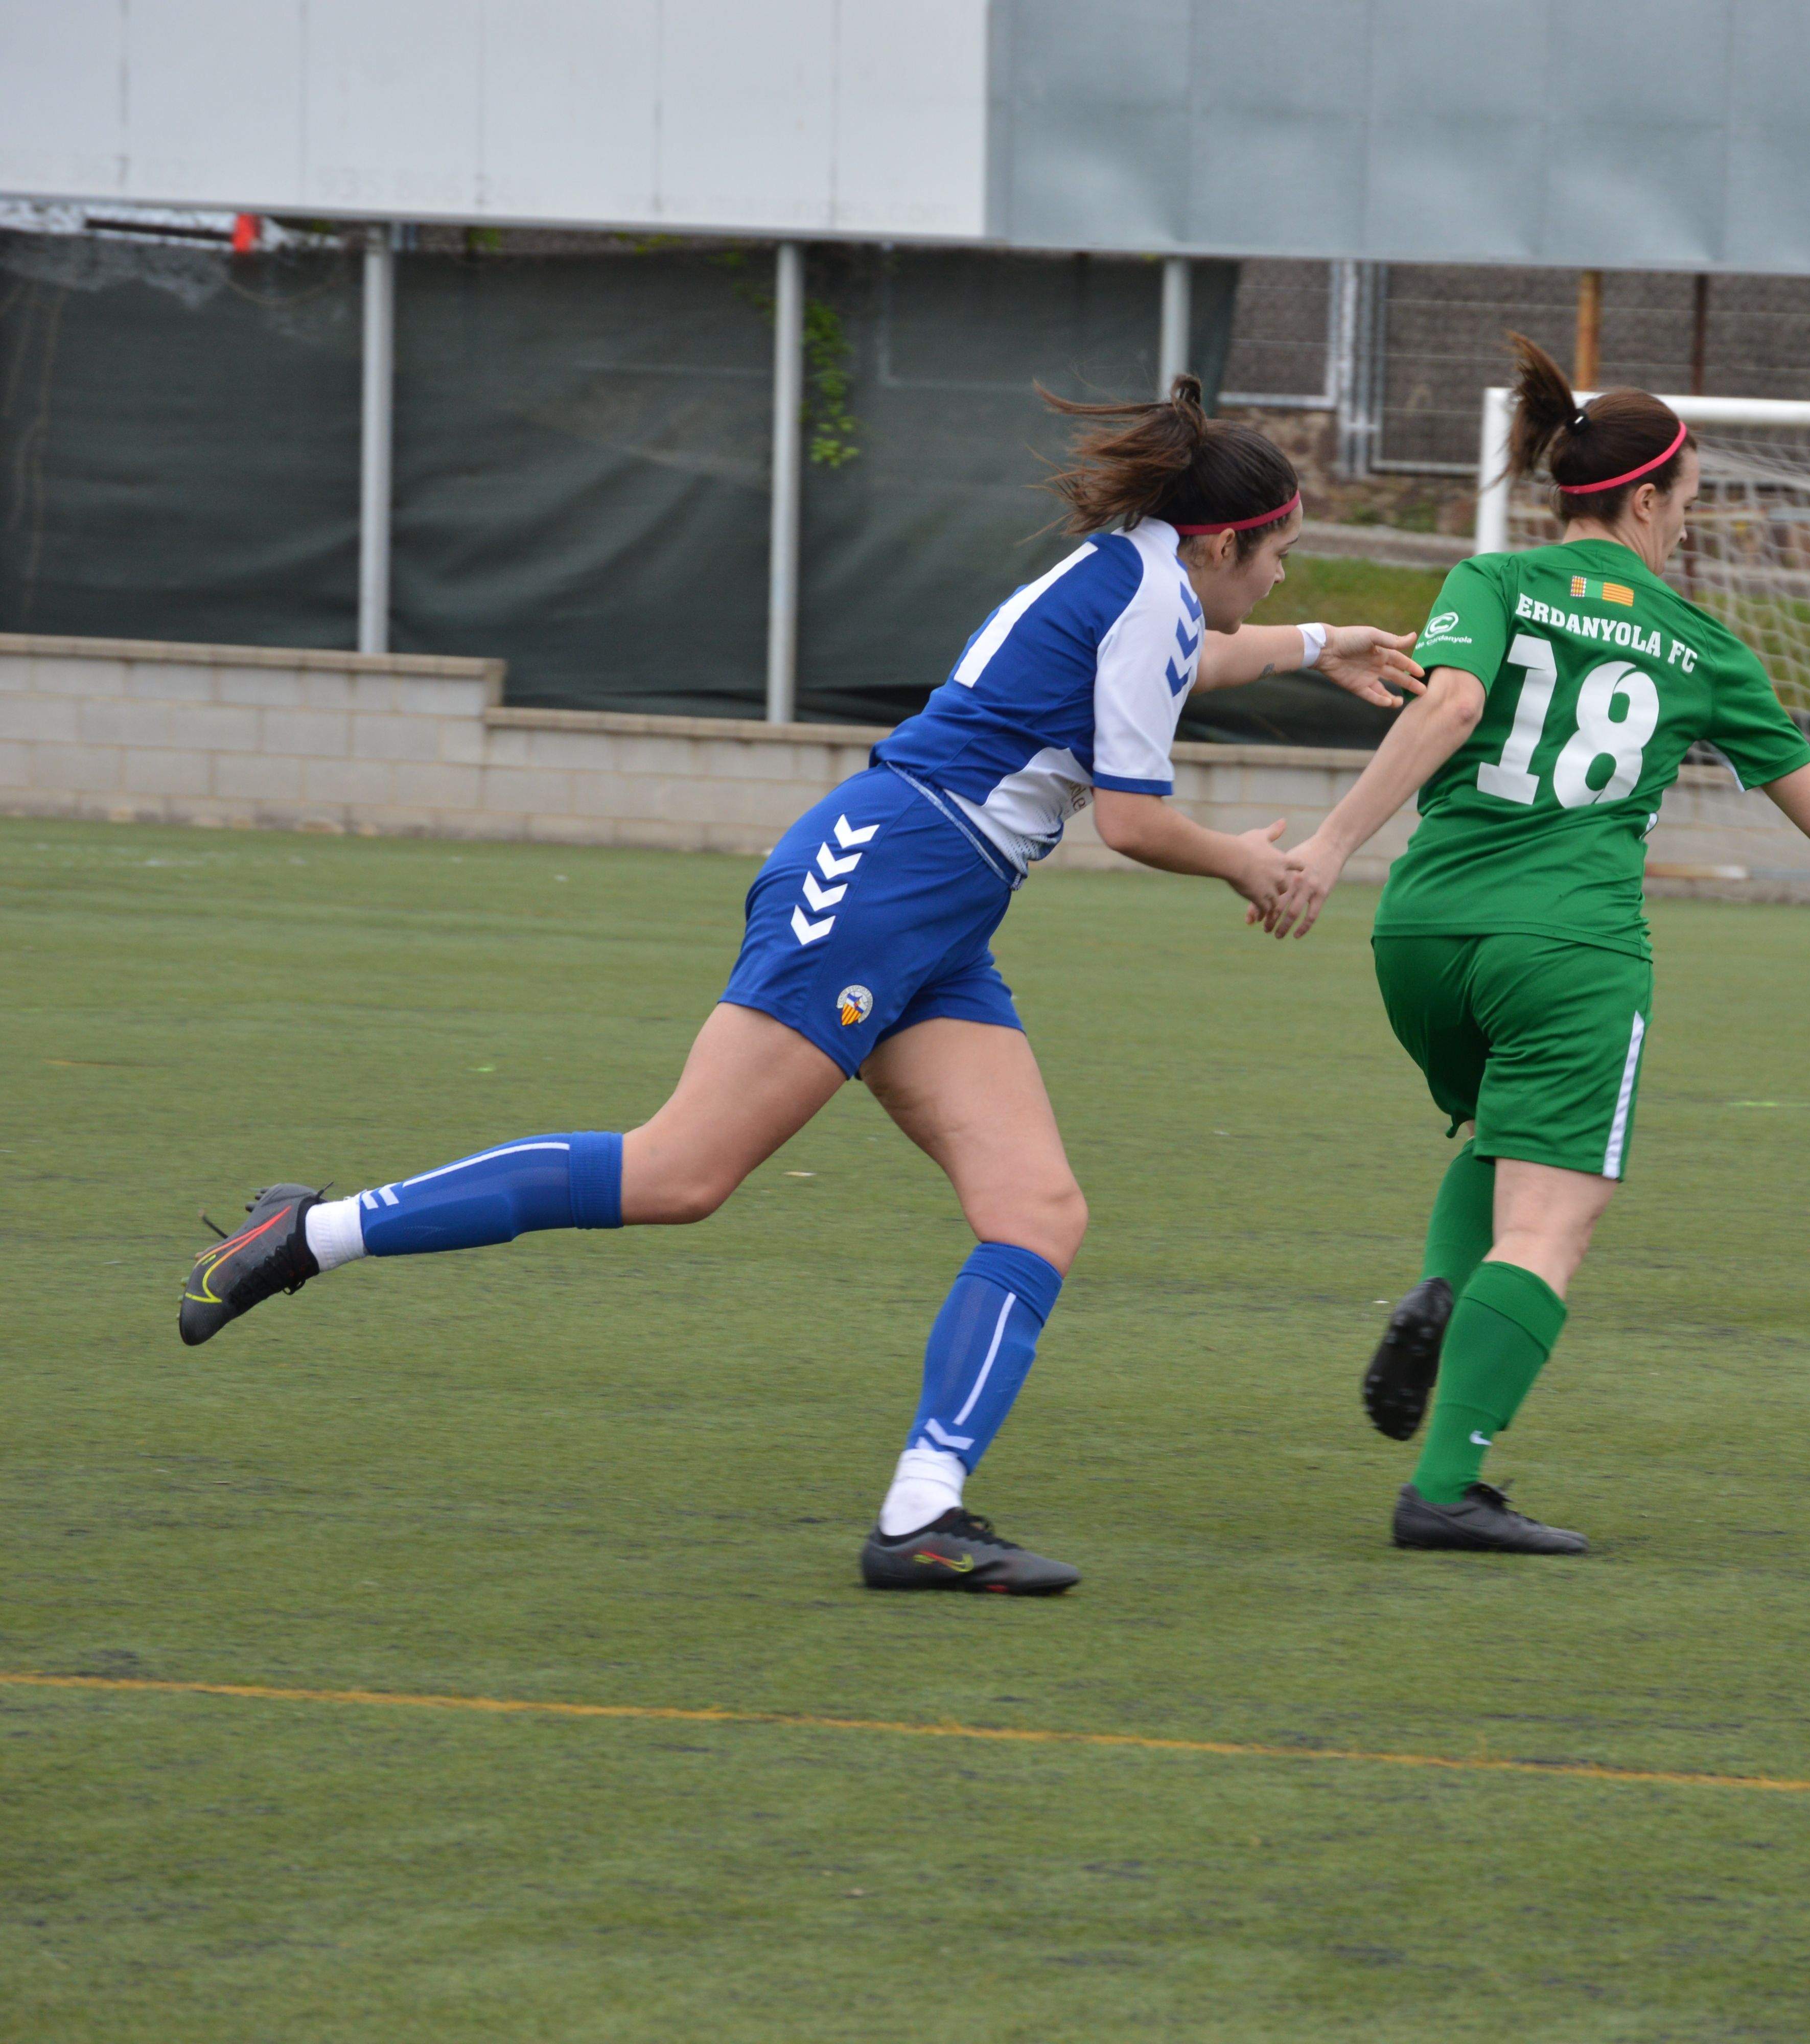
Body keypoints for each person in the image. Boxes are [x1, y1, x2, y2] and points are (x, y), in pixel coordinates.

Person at [179, 378, 1423, 1595]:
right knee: (678, 1172)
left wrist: (1322, 646)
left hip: (941, 908)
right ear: (1219, 541)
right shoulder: (1149, 592)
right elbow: (1137, 822)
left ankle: (920, 1517)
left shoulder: (1138, 575)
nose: (1278, 579)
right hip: (885, 872)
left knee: (1037, 1210)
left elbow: (1187, 662)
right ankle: (311, 1232)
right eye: (1278, 561)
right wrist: (1248, 865)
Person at [1254, 335, 1810, 1556]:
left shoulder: (1492, 583)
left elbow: (1457, 703)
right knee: (1549, 1225)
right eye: (1687, 504)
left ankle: (1439, 1285)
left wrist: (1327, 845)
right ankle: (1446, 1484)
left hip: (1422, 932)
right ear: (1642, 500)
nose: (1690, 527)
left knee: (1502, 1141)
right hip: (1570, 950)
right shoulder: (1698, 646)